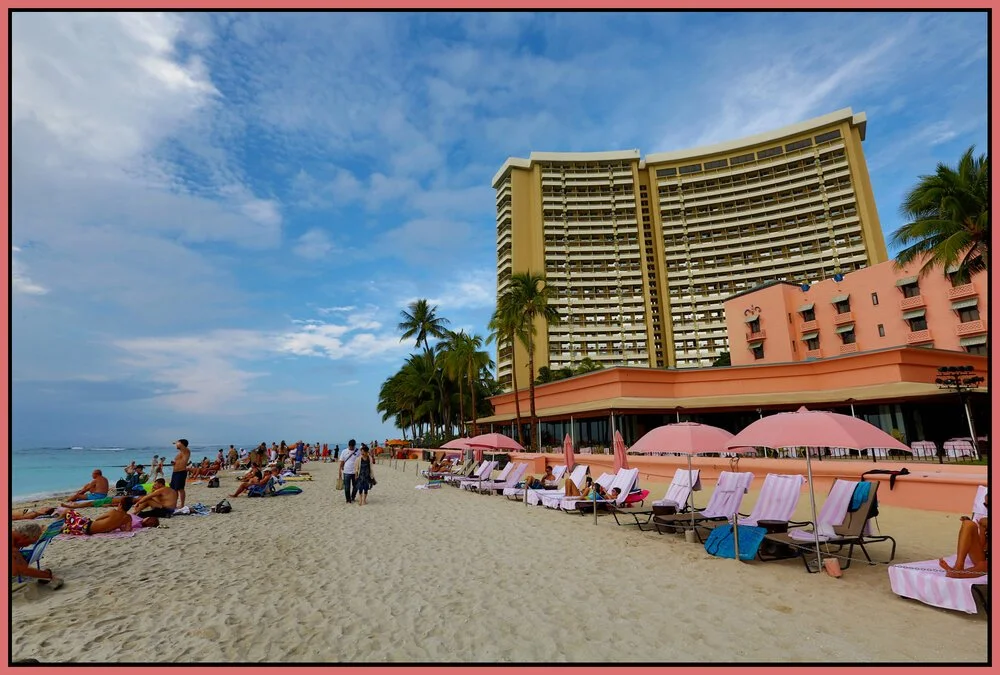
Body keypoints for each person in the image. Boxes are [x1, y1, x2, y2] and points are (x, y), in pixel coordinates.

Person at [940, 491, 989, 578]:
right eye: (986, 505)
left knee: (984, 565)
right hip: (983, 556)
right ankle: (958, 566)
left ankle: (957, 574)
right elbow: (981, 545)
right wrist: (982, 528)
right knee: (968, 524)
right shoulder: (984, 521)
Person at [61, 497, 137, 535]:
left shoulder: (113, 511)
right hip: (86, 532)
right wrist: (118, 525)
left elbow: (97, 519)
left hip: (85, 526)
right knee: (67, 527)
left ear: (120, 504)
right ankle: (65, 528)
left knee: (68, 511)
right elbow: (127, 530)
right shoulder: (128, 518)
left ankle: (58, 523)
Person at [170, 438, 191, 509]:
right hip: (175, 472)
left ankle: (182, 505)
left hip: (181, 472)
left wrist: (176, 442)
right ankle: (174, 504)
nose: (176, 445)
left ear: (182, 444)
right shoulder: (179, 454)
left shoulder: (186, 451)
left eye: (178, 443)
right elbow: (179, 462)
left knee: (180, 489)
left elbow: (181, 446)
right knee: (174, 489)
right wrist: (174, 463)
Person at [339, 439, 361, 504]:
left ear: (354, 445)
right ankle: (348, 499)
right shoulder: (344, 451)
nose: (351, 448)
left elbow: (360, 461)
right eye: (350, 446)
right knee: (347, 487)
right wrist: (339, 472)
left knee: (356, 486)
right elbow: (342, 462)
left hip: (355, 472)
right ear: (348, 445)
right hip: (346, 472)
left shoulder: (358, 452)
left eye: (352, 447)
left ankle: (353, 497)